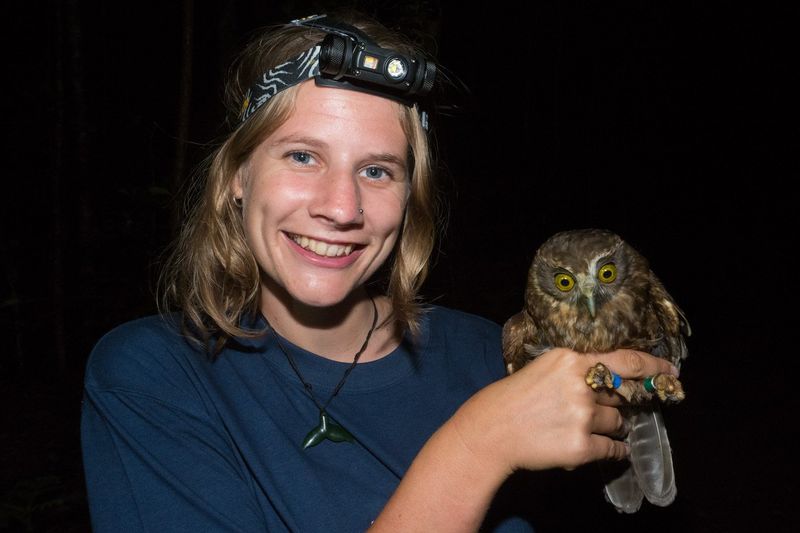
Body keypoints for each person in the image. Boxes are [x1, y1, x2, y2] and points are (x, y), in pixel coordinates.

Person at [80, 12, 677, 532]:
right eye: (302, 155)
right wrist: (477, 447)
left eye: (377, 171)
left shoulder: (493, 353)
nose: (340, 207)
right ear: (237, 176)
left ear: (409, 197)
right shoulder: (151, 378)